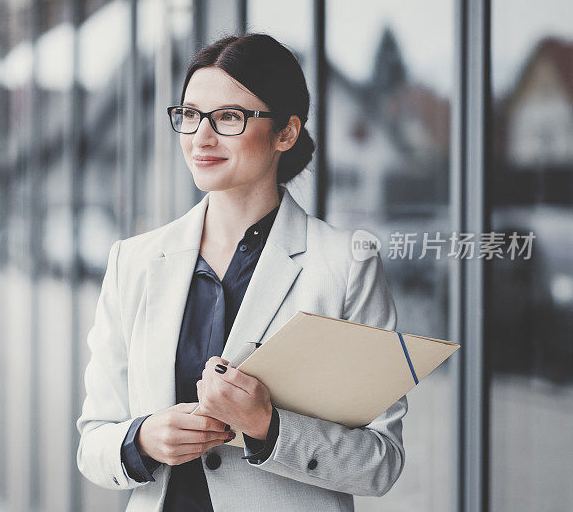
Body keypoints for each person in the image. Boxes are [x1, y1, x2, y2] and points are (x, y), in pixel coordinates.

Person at [76, 33, 407, 512]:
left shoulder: (345, 264)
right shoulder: (134, 262)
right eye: (189, 115)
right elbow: (93, 443)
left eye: (228, 117)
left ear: (286, 133)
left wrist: (268, 427)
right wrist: (143, 438)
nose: (201, 137)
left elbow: (381, 462)